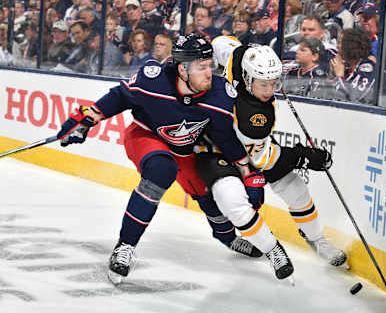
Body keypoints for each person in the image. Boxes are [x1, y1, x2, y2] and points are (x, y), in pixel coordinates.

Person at [56, 33, 290, 284]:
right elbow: (120, 96)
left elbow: (224, 137)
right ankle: (124, 247)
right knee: (161, 171)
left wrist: (248, 171)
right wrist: (87, 119)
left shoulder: (221, 94)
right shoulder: (153, 80)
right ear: (182, 69)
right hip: (146, 136)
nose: (209, 73)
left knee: (207, 196)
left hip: (185, 149)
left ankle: (227, 237)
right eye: (201, 67)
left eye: (209, 65)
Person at [206, 35, 347, 268]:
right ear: (249, 79)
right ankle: (241, 240)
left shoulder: (240, 59)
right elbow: (263, 159)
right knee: (238, 202)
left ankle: (317, 240)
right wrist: (302, 156)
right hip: (232, 153)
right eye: (264, 84)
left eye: (274, 82)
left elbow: (222, 44)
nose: (270, 90)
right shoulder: (253, 116)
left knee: (297, 190)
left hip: (245, 143)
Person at [329, 27, 376, 104]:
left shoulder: (367, 68)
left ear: (351, 46)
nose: (337, 47)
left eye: (340, 43)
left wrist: (339, 76)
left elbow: (354, 101)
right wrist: (333, 74)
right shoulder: (348, 69)